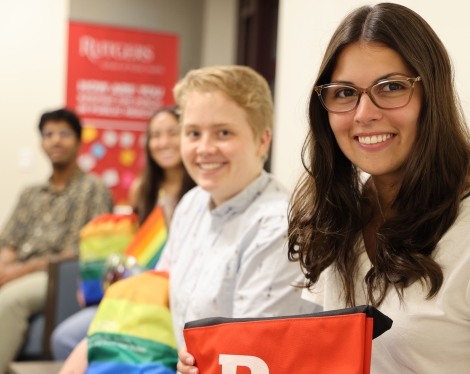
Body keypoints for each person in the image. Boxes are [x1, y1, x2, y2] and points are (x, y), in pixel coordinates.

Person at [178, 3, 470, 373]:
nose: (364, 113)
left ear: (433, 95)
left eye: (392, 87)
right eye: (345, 93)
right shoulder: (335, 221)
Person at [59, 65, 317, 374]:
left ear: (262, 141)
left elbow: (250, 358)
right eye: (193, 133)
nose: (204, 148)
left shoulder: (278, 227)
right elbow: (159, 288)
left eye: (223, 133)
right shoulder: (192, 204)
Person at [51, 106, 196, 360]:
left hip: (183, 296)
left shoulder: (202, 189)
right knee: (64, 338)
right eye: (155, 135)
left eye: (172, 132)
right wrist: (94, 279)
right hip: (140, 291)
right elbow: (132, 250)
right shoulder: (141, 188)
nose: (163, 142)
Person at [0, 108, 113, 372]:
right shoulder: (31, 193)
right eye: (48, 134)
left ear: (78, 141)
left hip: (55, 274)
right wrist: (4, 269)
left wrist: (19, 271)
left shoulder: (93, 188)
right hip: (20, 271)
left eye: (64, 133)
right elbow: (10, 241)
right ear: (41, 142)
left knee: (9, 301)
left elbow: (82, 250)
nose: (56, 140)